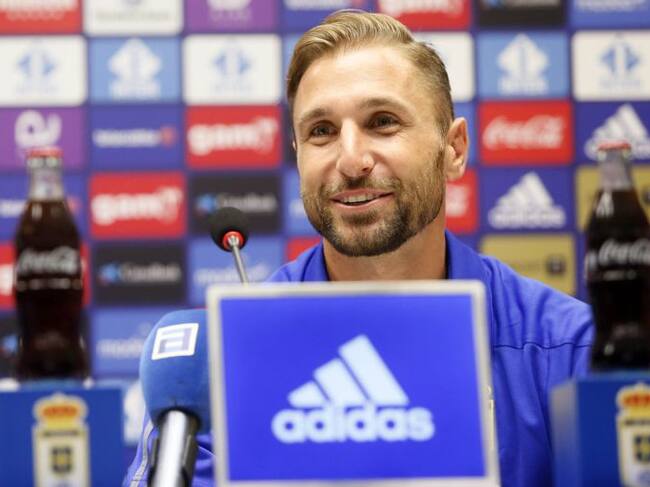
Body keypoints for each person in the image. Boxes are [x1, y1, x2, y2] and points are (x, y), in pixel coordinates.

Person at [125, 10, 593, 487]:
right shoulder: (222, 362)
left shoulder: (565, 347)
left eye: (383, 122)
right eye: (322, 131)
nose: (351, 161)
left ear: (453, 149)